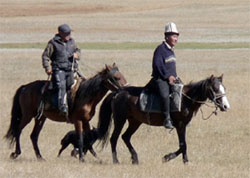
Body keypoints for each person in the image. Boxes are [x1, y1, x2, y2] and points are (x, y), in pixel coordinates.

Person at [42, 24, 81, 116]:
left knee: (73, 85)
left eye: (69, 33)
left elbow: (78, 50)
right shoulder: (53, 43)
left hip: (70, 69)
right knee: (61, 85)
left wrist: (77, 55)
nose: (69, 35)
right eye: (66, 33)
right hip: (58, 69)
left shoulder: (72, 42)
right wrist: (47, 68)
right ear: (60, 33)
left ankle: (72, 104)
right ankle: (62, 106)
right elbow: (45, 56)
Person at [151, 22, 179, 129]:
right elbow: (158, 65)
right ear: (167, 37)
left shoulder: (171, 51)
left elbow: (171, 67)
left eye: (176, 36)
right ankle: (166, 118)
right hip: (160, 79)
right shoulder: (160, 49)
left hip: (171, 79)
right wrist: (168, 76)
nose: (176, 39)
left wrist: (175, 76)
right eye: (173, 36)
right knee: (164, 95)